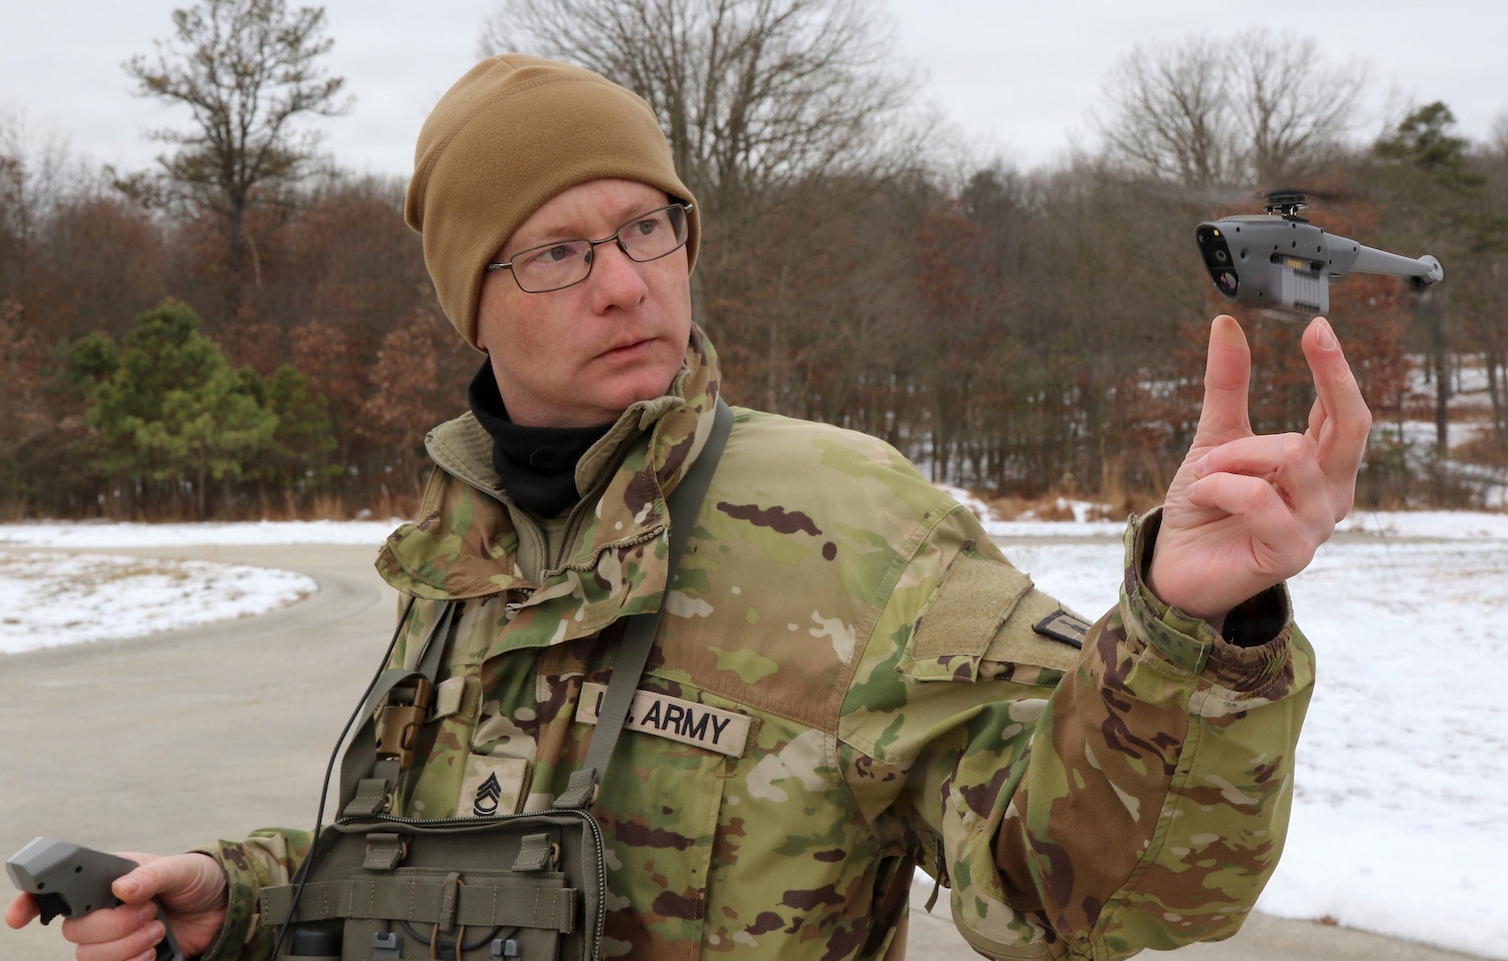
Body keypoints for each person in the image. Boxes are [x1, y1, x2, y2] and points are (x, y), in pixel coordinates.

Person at [6, 55, 1369, 960]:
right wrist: (236, 901)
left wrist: (1197, 633)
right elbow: (452, 868)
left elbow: (1099, 899)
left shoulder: (849, 519)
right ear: (471, 304)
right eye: (556, 250)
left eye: (648, 228)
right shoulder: (461, 557)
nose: (623, 282)